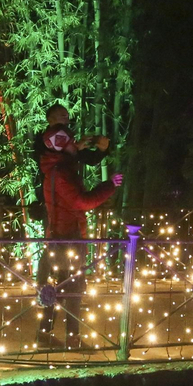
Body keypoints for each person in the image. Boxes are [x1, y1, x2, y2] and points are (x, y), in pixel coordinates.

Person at [37, 121, 123, 350]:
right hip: (68, 238)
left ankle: (45, 335)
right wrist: (109, 186)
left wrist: (94, 149)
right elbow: (81, 202)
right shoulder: (62, 173)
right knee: (72, 289)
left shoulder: (58, 168)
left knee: (56, 287)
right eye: (66, 141)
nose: (74, 143)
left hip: (61, 236)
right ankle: (71, 339)